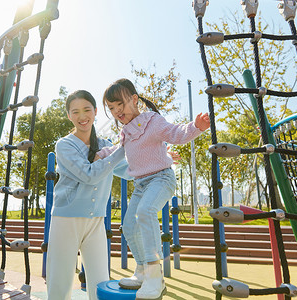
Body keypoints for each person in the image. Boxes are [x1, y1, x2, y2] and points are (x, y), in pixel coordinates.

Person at [96, 78, 210, 300]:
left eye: (120, 104)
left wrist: (196, 127)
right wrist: (98, 154)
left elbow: (176, 133)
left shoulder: (152, 121)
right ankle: (142, 270)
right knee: (128, 226)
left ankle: (155, 276)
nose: (117, 111)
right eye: (111, 108)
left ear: (134, 99)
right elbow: (116, 151)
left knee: (145, 212)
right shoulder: (126, 132)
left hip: (162, 179)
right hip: (141, 185)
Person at [45, 90, 132, 300]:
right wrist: (123, 147)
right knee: (60, 283)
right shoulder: (64, 145)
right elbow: (89, 175)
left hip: (96, 221)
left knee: (101, 282)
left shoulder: (104, 145)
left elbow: (127, 170)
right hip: (67, 220)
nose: (82, 116)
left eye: (87, 110)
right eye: (75, 112)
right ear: (69, 115)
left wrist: (160, 161)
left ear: (95, 111)